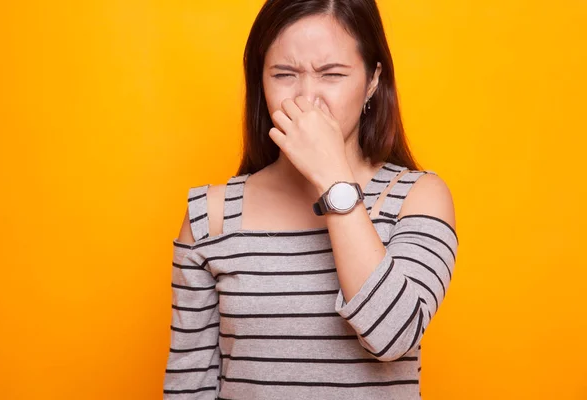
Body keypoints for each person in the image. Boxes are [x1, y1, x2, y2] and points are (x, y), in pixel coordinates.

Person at [163, 0, 458, 399]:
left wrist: (331, 176)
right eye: (284, 74)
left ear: (373, 80)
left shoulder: (417, 198)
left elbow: (392, 335)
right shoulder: (210, 216)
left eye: (331, 74)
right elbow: (188, 387)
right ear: (260, 82)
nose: (307, 98)